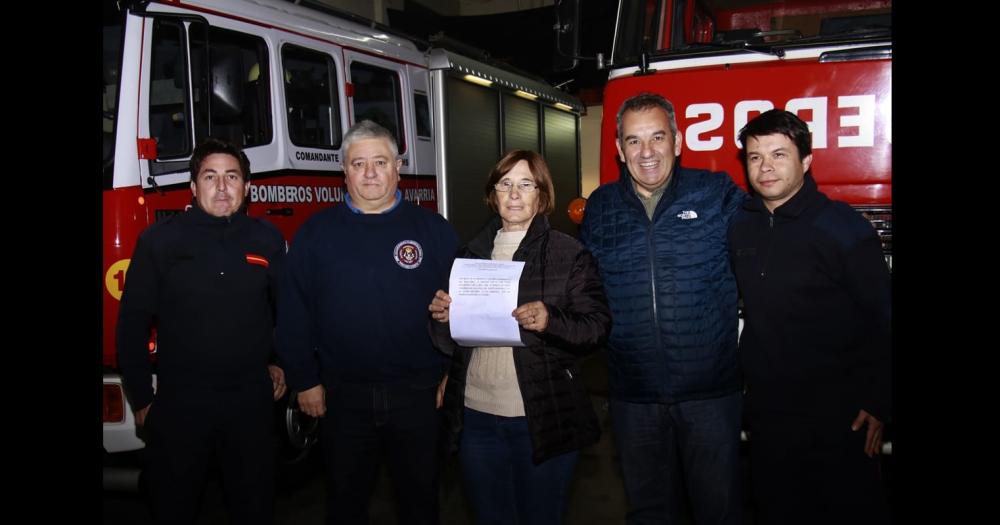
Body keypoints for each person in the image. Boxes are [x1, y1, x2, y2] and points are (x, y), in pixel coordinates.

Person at [276, 120, 459, 525]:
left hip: (419, 394)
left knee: (421, 501)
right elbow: (292, 312)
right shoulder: (315, 234)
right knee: (345, 502)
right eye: (359, 164)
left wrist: (451, 371)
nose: (371, 173)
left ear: (398, 167)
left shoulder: (434, 231)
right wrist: (305, 380)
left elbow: (461, 307)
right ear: (344, 171)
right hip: (343, 397)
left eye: (380, 162)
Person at [579, 92, 746, 525]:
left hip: (710, 394)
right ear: (619, 149)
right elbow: (578, 287)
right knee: (650, 513)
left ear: (678, 140)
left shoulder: (716, 194)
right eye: (633, 141)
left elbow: (773, 249)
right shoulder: (600, 207)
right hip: (634, 397)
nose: (646, 152)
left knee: (720, 511)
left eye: (657, 137)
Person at [428, 150, 611, 525]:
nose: (514, 194)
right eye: (505, 184)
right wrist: (444, 317)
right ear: (492, 196)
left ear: (541, 196)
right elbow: (451, 344)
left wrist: (551, 320)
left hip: (541, 417)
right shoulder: (469, 256)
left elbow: (596, 326)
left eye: (525, 184)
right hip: (477, 418)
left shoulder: (569, 253)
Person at [728, 109, 891, 525]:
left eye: (779, 155)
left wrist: (878, 401)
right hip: (768, 417)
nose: (765, 167)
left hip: (840, 418)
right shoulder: (741, 227)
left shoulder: (843, 229)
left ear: (806, 160)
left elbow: (884, 318)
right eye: (754, 157)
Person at [117, 137, 288, 525]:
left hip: (250, 405)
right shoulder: (160, 242)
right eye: (210, 176)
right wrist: (143, 398)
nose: (222, 187)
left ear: (248, 187)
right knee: (173, 508)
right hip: (180, 407)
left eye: (232, 176)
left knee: (254, 508)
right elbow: (131, 323)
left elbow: (285, 311)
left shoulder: (267, 240)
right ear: (193, 188)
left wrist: (280, 363)